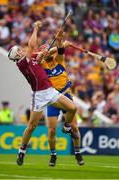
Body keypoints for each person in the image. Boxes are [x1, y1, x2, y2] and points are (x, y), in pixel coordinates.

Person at [8, 21, 77, 166]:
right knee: (32, 126)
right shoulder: (22, 63)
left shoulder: (30, 58)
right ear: (16, 56)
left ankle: (66, 126)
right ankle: (22, 151)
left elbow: (41, 55)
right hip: (38, 96)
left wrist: (57, 45)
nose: (21, 50)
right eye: (18, 51)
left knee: (73, 108)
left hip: (51, 91)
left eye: (20, 49)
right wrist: (35, 28)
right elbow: (32, 46)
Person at [41, 30, 84, 166]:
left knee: (75, 128)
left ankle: (77, 152)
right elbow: (33, 56)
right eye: (44, 51)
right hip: (53, 99)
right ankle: (53, 155)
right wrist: (45, 51)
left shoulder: (59, 60)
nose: (47, 52)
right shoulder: (41, 65)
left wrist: (59, 40)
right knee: (52, 130)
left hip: (65, 95)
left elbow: (60, 49)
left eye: (48, 49)